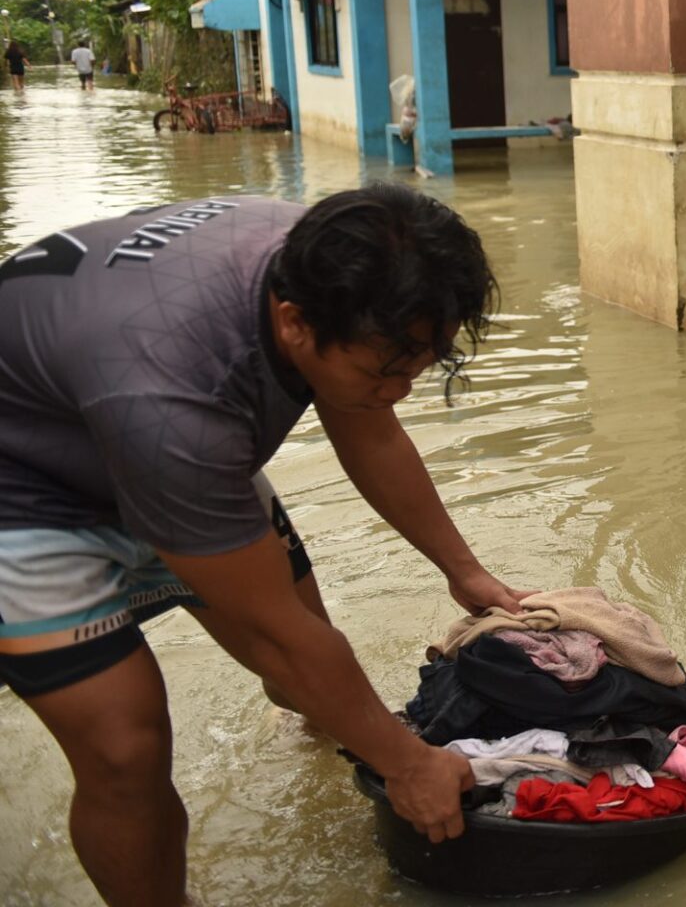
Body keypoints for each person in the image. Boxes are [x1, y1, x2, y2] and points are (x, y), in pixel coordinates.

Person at [0, 186, 526, 906]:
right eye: (386, 373)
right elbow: (274, 636)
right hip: (24, 490)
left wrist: (464, 572)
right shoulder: (176, 406)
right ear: (294, 324)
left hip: (148, 428)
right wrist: (406, 765)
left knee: (307, 674)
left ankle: (329, 750)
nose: (400, 392)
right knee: (126, 750)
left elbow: (371, 428)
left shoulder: (331, 263)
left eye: (417, 370)